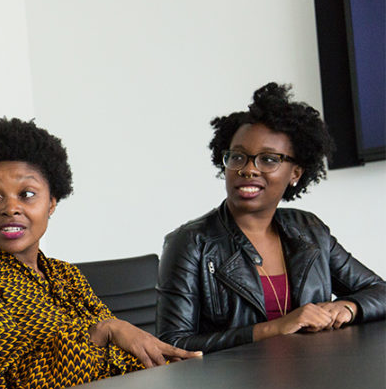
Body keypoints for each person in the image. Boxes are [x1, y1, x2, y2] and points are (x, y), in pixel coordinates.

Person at [0, 117, 198, 389]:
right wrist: (99, 333)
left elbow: (118, 352)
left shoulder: (65, 275)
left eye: (27, 194)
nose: (10, 208)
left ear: (51, 203)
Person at [156, 83, 385, 353]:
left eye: (268, 159)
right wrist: (272, 329)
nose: (249, 169)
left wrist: (348, 307)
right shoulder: (191, 243)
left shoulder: (309, 231)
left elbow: (378, 291)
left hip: (316, 378)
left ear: (295, 173)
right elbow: (171, 346)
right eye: (238, 157)